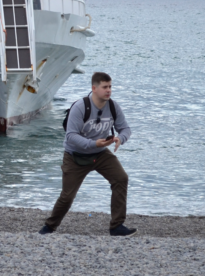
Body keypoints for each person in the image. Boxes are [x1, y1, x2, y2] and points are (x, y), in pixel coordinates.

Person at [38, 72, 136, 237]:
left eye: (110, 87)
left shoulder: (113, 106)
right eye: (105, 87)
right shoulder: (80, 107)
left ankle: (117, 226)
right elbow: (70, 135)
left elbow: (125, 129)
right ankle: (49, 227)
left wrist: (120, 138)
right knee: (67, 196)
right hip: (75, 155)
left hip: (100, 153)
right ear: (94, 88)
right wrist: (93, 143)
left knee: (121, 178)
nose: (108, 91)